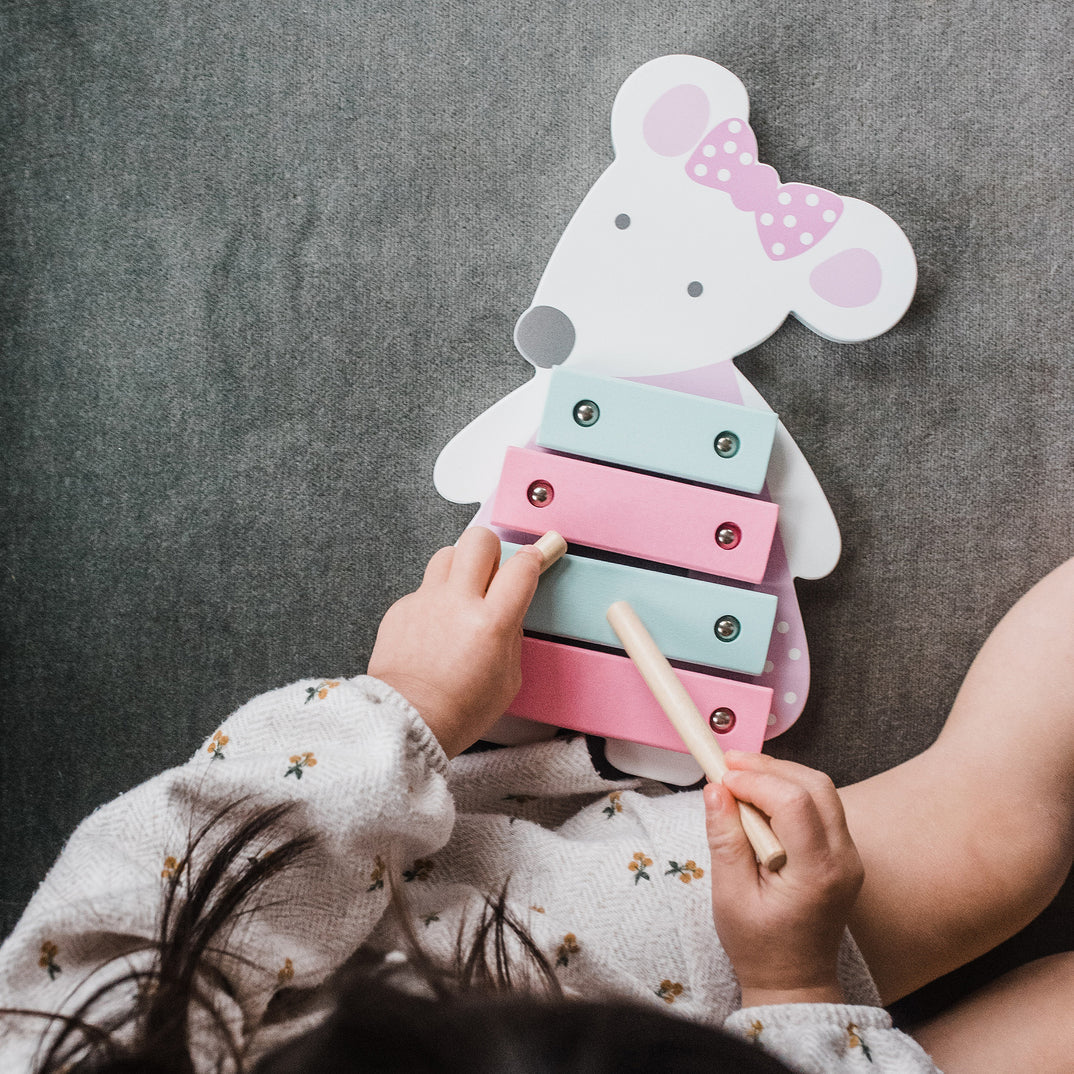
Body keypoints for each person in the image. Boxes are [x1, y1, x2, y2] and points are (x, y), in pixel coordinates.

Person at [1, 527, 1072, 1072]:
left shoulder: (72, 1046)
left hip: (543, 947)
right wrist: (793, 998)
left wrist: (405, 706)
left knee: (991, 839)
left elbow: (160, 882)